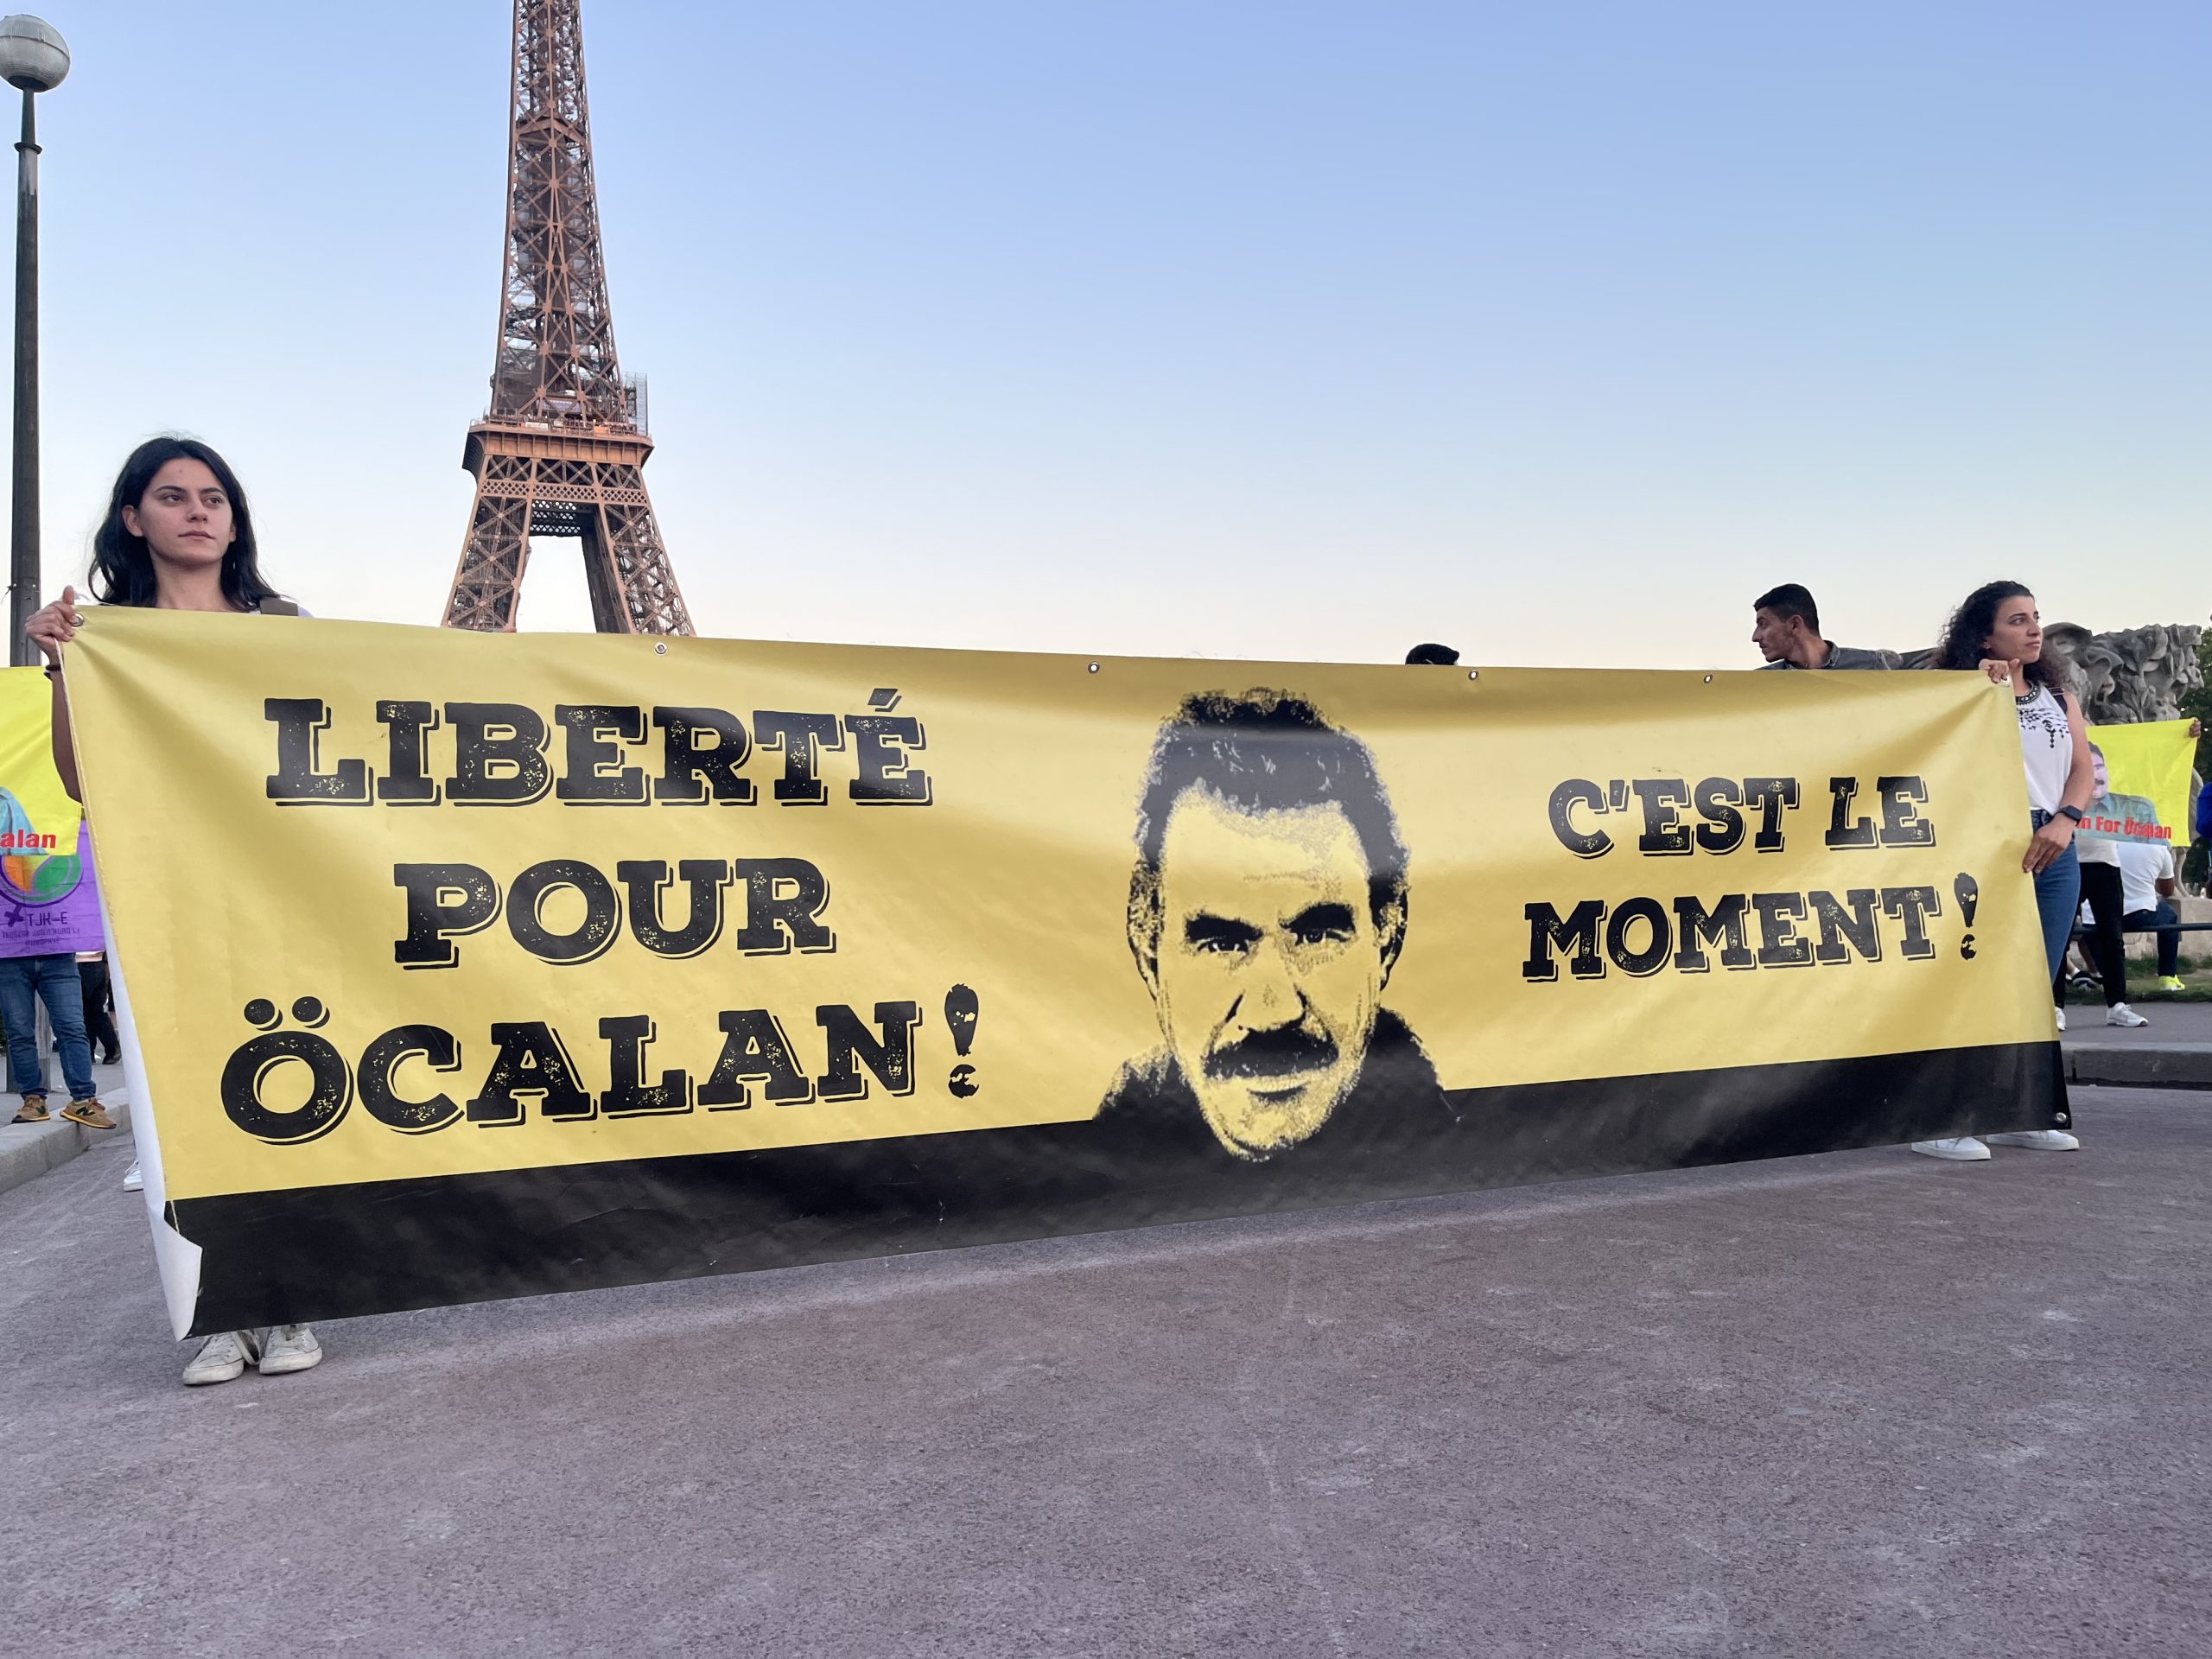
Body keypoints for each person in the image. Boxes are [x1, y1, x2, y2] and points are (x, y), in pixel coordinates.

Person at [24, 435, 323, 1386]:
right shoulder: (106, 636)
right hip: (169, 894)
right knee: (191, 1103)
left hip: (278, 889)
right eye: (172, 496)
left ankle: (291, 1300)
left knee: (288, 1085)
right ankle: (223, 1310)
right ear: (132, 517)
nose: (197, 511)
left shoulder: (285, 626)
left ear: (234, 519)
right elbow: (84, 781)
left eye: (213, 497)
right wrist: (64, 666)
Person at [1095, 690, 1452, 1161]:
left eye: (1316, 937)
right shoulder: (1098, 1149)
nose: (1273, 1012)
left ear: (1387, 934)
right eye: (1222, 944)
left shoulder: (1460, 1147)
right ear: (1147, 946)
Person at [1913, 582, 2091, 1160]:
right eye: (2017, 620)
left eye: (2036, 617)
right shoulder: (1961, 693)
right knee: (1976, 980)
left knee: (2034, 984)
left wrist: (2065, 820)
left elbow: (2083, 770)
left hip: (2056, 846)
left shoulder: (2058, 696)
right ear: (1984, 636)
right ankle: (1941, 1117)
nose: (2034, 628)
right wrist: (1973, 686)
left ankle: (2022, 1111)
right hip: (1986, 847)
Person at [2070, 747, 2149, 1028]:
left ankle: (2118, 1005)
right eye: (2088, 767)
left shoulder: (2120, 803)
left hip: (2106, 865)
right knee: (2059, 938)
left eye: (2099, 767)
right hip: (2067, 863)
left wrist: (2186, 734)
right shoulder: (2064, 794)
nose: (2095, 775)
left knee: (2112, 938)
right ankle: (2055, 1007)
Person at [0, 950, 109, 1128]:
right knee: (21, 1033)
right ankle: (36, 1099)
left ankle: (81, 1100)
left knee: (71, 1028)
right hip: (15, 955)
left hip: (53, 954)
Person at [1751, 585, 1893, 671]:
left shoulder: (1871, 664)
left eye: (1763, 624)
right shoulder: (1762, 681)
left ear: (1795, 625)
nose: (1755, 637)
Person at [2118, 838, 2185, 992]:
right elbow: (2167, 890)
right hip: (2143, 910)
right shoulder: (2158, 844)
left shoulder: (2110, 842)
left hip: (2109, 911)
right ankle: (2167, 977)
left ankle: (2098, 974)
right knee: (2170, 918)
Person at [77, 950, 120, 1066]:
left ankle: (90, 1051)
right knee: (94, 1011)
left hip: (79, 961)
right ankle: (110, 1048)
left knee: (85, 1012)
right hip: (98, 961)